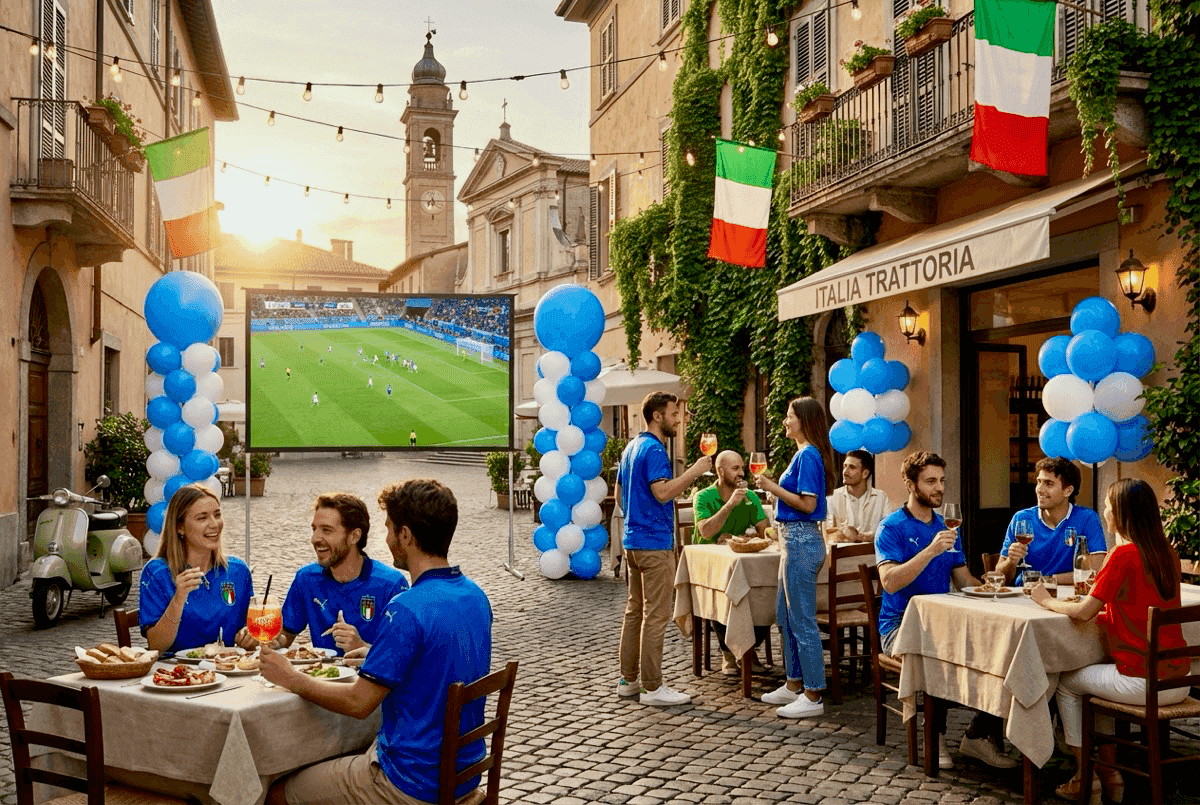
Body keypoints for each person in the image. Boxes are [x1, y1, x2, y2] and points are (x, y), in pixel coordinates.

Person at [261, 479, 492, 805]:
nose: (385, 538)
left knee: (275, 794)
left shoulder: (407, 608)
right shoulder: (475, 596)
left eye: (389, 528)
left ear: (406, 535)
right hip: (460, 771)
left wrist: (289, 677)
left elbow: (359, 703)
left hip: (409, 780)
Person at [1031, 479, 1185, 803]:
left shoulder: (1122, 555)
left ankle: (1085, 776)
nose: (1104, 511)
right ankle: (1109, 775)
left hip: (1143, 682)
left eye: (1108, 506)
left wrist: (1045, 601)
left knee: (1068, 682)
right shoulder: (1166, 552)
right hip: (1178, 681)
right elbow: (1139, 599)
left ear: (1121, 514)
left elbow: (1084, 613)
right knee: (1094, 682)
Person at [874, 451, 1016, 770]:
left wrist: (990, 585)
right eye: (930, 481)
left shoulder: (945, 525)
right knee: (942, 656)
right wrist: (930, 550)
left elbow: (962, 578)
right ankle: (933, 737)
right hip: (900, 626)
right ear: (910, 484)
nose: (939, 488)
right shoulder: (892, 526)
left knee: (1001, 653)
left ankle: (977, 736)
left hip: (942, 623)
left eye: (942, 481)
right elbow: (890, 582)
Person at [615, 391, 712, 706]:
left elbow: (619, 495)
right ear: (657, 416)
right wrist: (695, 472)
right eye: (673, 413)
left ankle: (628, 681)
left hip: (632, 542)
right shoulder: (655, 450)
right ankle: (653, 688)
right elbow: (662, 492)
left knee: (634, 613)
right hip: (654, 544)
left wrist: (635, 518)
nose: (677, 418)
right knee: (655, 616)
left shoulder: (631, 447)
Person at [752, 397, 835, 719]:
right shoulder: (804, 455)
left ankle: (813, 695)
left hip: (801, 542)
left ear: (805, 421)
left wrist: (772, 487)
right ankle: (793, 683)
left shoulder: (809, 455)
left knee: (802, 620)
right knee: (785, 618)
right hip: (791, 543)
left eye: (789, 416)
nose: (785, 421)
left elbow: (809, 505)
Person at [274, 493, 409, 655]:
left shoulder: (391, 584)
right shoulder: (306, 578)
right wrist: (272, 640)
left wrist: (361, 646)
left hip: (369, 679)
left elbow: (402, 657)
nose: (315, 538)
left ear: (354, 536)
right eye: (314, 529)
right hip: (317, 675)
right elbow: (285, 635)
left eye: (326, 530)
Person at [139, 484, 255, 654]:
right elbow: (156, 645)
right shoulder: (157, 573)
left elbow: (250, 634)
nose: (214, 524)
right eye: (202, 518)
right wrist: (178, 599)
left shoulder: (238, 571)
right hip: (174, 673)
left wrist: (249, 637)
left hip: (226, 670)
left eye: (217, 515)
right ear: (180, 527)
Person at [692, 449, 769, 674]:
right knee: (722, 595)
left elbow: (766, 530)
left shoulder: (750, 496)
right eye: (735, 468)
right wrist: (729, 506)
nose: (741, 473)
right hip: (708, 568)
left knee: (767, 593)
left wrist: (762, 534)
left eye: (742, 468)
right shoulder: (703, 496)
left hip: (742, 564)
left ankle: (747, 649)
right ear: (720, 470)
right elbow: (706, 532)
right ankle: (729, 653)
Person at [996, 456, 1106, 585]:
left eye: (1049, 484)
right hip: (1025, 595)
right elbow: (1000, 579)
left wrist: (1046, 581)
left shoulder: (1087, 518)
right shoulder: (1022, 518)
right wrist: (1011, 561)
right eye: (1039, 482)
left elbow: (1096, 571)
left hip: (1070, 598)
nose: (1040, 489)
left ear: (1068, 491)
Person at [825, 449, 892, 543]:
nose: (845, 472)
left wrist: (859, 536)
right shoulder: (832, 497)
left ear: (865, 473)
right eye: (845, 466)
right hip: (843, 556)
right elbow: (827, 533)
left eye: (851, 467)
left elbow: (888, 532)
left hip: (871, 556)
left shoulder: (881, 497)